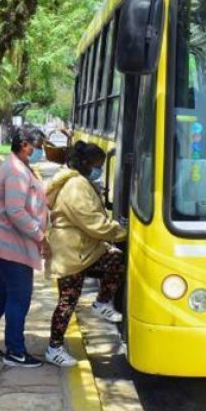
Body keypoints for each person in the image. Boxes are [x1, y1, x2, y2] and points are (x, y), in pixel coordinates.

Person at [0, 125, 48, 368]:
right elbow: (15, 211)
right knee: (19, 297)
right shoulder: (15, 170)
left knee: (5, 291)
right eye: (39, 147)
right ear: (26, 145)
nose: (40, 151)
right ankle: (15, 350)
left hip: (12, 243)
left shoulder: (19, 165)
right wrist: (39, 235)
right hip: (12, 245)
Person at [43, 142, 127, 367]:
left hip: (80, 250)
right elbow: (92, 222)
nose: (99, 170)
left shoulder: (76, 181)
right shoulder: (76, 185)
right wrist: (121, 232)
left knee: (115, 259)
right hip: (71, 253)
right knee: (68, 300)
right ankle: (54, 348)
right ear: (87, 164)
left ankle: (101, 302)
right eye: (98, 165)